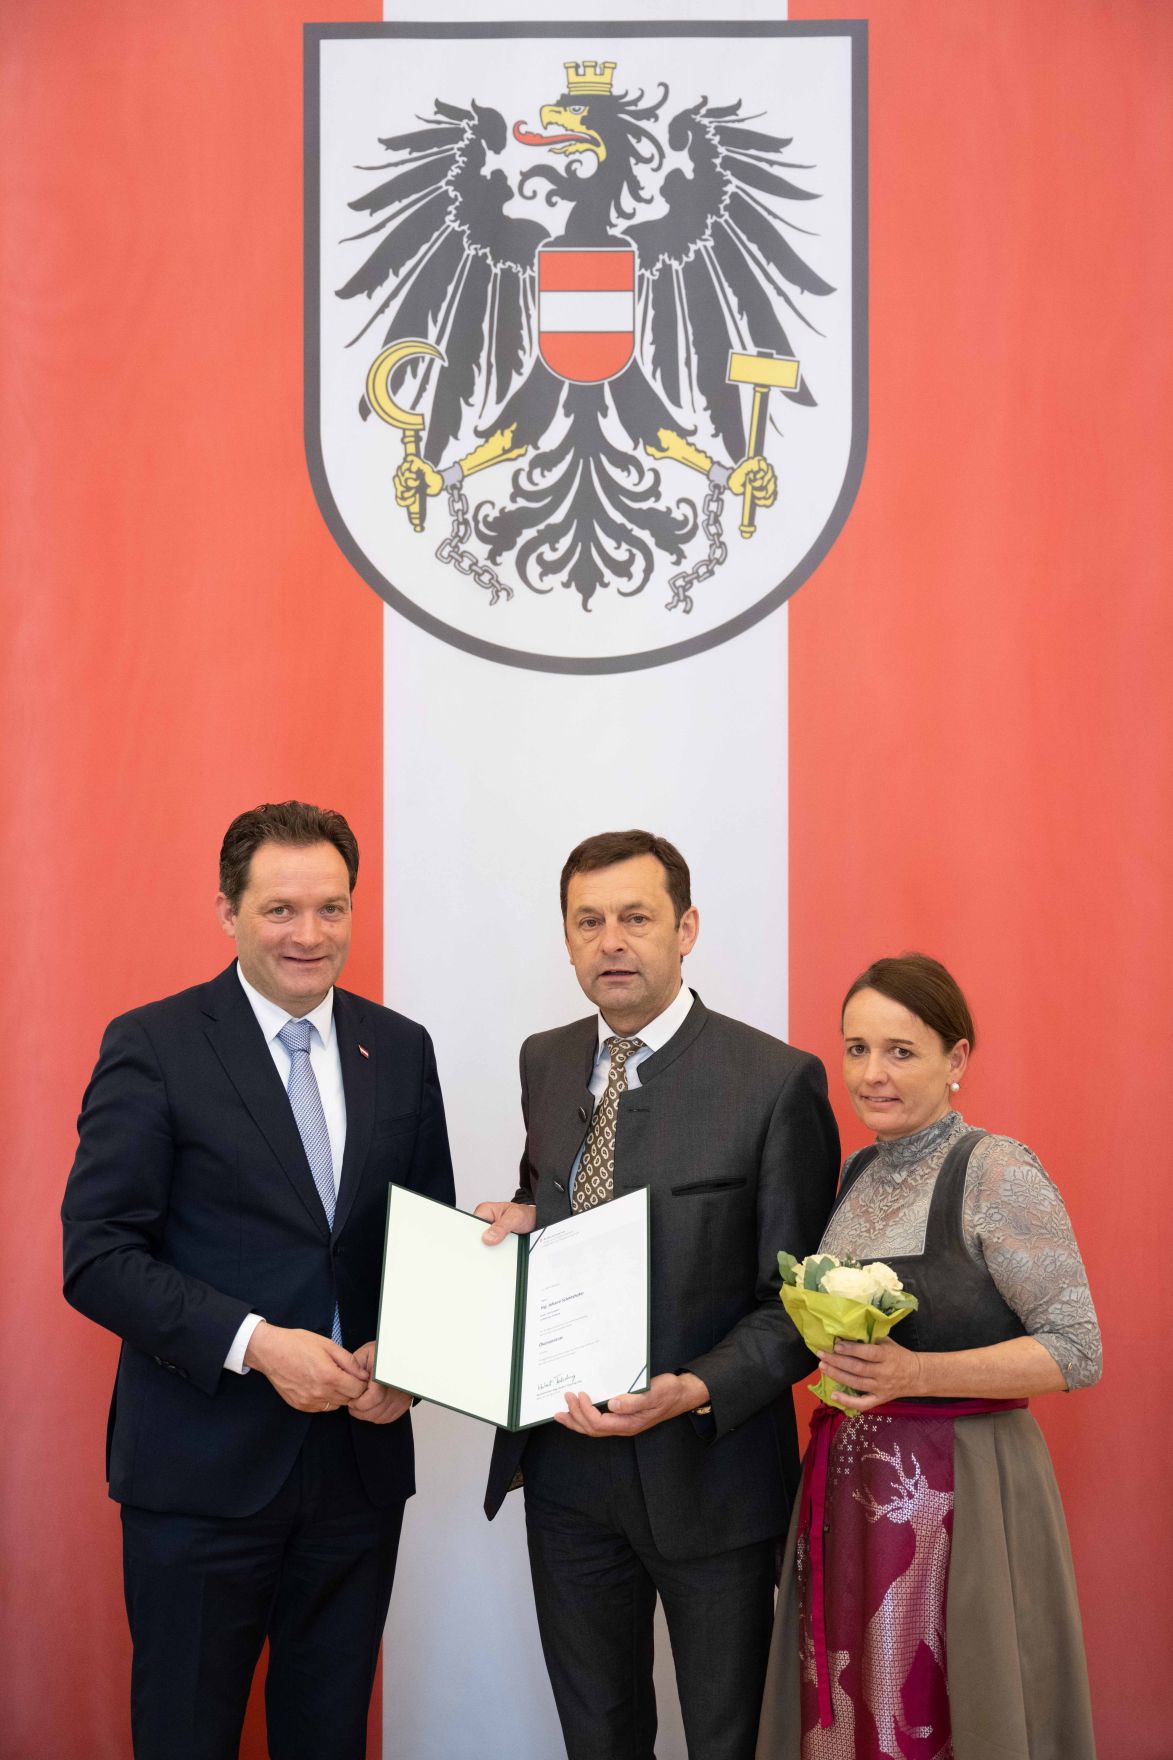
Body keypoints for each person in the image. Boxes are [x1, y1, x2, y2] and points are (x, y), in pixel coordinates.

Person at [62, 801, 454, 1760]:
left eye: (331, 908)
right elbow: (98, 1255)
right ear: (227, 912)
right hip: (200, 1474)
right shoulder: (153, 1044)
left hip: (355, 1480)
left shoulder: (399, 1048)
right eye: (280, 909)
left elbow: (426, 1242)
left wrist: (412, 1360)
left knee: (327, 1735)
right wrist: (256, 1345)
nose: (309, 935)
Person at [476, 829, 841, 1760]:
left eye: (635, 918)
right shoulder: (545, 1061)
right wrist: (522, 1221)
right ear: (564, 940)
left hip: (708, 1478)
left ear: (685, 929)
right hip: (563, 1474)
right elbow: (555, 1206)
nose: (611, 943)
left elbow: (797, 1310)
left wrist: (696, 1389)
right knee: (596, 1737)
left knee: (728, 1739)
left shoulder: (774, 1083)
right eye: (587, 922)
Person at [756, 953, 1101, 1760]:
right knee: (849, 1702)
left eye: (900, 1051)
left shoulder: (997, 1171)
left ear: (957, 1061)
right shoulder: (857, 1170)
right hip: (850, 1496)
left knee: (953, 1710)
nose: (871, 1074)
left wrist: (918, 1374)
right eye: (855, 1049)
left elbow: (1076, 1350)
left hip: (965, 1496)